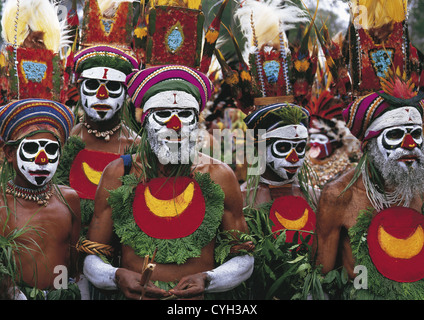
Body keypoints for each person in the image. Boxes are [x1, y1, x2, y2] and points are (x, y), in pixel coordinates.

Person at [79, 64, 254, 300]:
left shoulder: (219, 175)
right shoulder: (119, 173)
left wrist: (209, 280)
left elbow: (242, 256)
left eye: (185, 116)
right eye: (162, 115)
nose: (175, 126)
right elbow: (92, 255)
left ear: (197, 122)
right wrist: (117, 276)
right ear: (145, 122)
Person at [314, 74, 424, 299]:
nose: (410, 145)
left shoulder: (419, 188)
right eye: (394, 135)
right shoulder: (339, 195)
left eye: (416, 134)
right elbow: (320, 279)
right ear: (369, 144)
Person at [0, 98, 80, 299]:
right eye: (31, 149)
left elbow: (73, 257)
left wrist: (66, 290)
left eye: (51, 150)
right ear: (9, 153)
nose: (42, 159)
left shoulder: (68, 199)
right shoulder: (1, 204)